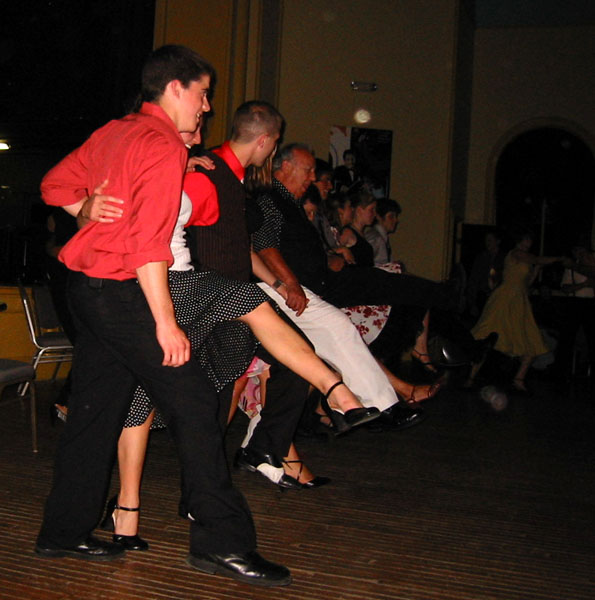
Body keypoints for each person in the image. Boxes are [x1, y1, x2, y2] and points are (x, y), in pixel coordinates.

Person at [35, 45, 292, 587]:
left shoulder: (115, 131)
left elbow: (53, 185)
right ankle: (221, 544)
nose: (206, 108)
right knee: (197, 401)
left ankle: (63, 531)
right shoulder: (160, 144)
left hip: (86, 288)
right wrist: (166, 322)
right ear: (175, 87)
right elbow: (151, 247)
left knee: (95, 409)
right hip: (124, 292)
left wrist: (81, 208)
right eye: (202, 95)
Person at [471, 228, 563, 392]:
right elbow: (536, 258)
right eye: (526, 239)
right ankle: (469, 376)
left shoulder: (526, 259)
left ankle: (519, 380)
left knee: (530, 338)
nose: (529, 243)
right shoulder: (516, 253)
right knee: (486, 336)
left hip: (519, 301)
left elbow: (526, 283)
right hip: (505, 299)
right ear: (520, 240)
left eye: (530, 240)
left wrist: (535, 271)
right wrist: (558, 258)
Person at [364, 197, 402, 266]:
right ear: (378, 217)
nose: (396, 220)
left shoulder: (381, 238)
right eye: (391, 216)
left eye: (396, 216)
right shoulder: (375, 238)